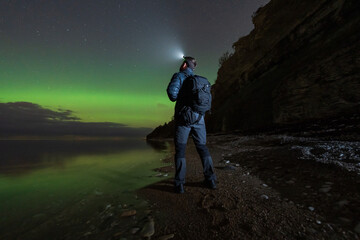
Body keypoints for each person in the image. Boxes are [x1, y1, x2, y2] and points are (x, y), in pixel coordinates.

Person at [167, 56, 217, 194]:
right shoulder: (201, 81)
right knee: (202, 148)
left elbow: (172, 95)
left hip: (184, 119)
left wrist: (182, 96)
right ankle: (211, 180)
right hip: (199, 118)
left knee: (181, 150)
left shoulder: (180, 76)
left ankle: (179, 185)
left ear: (184, 65)